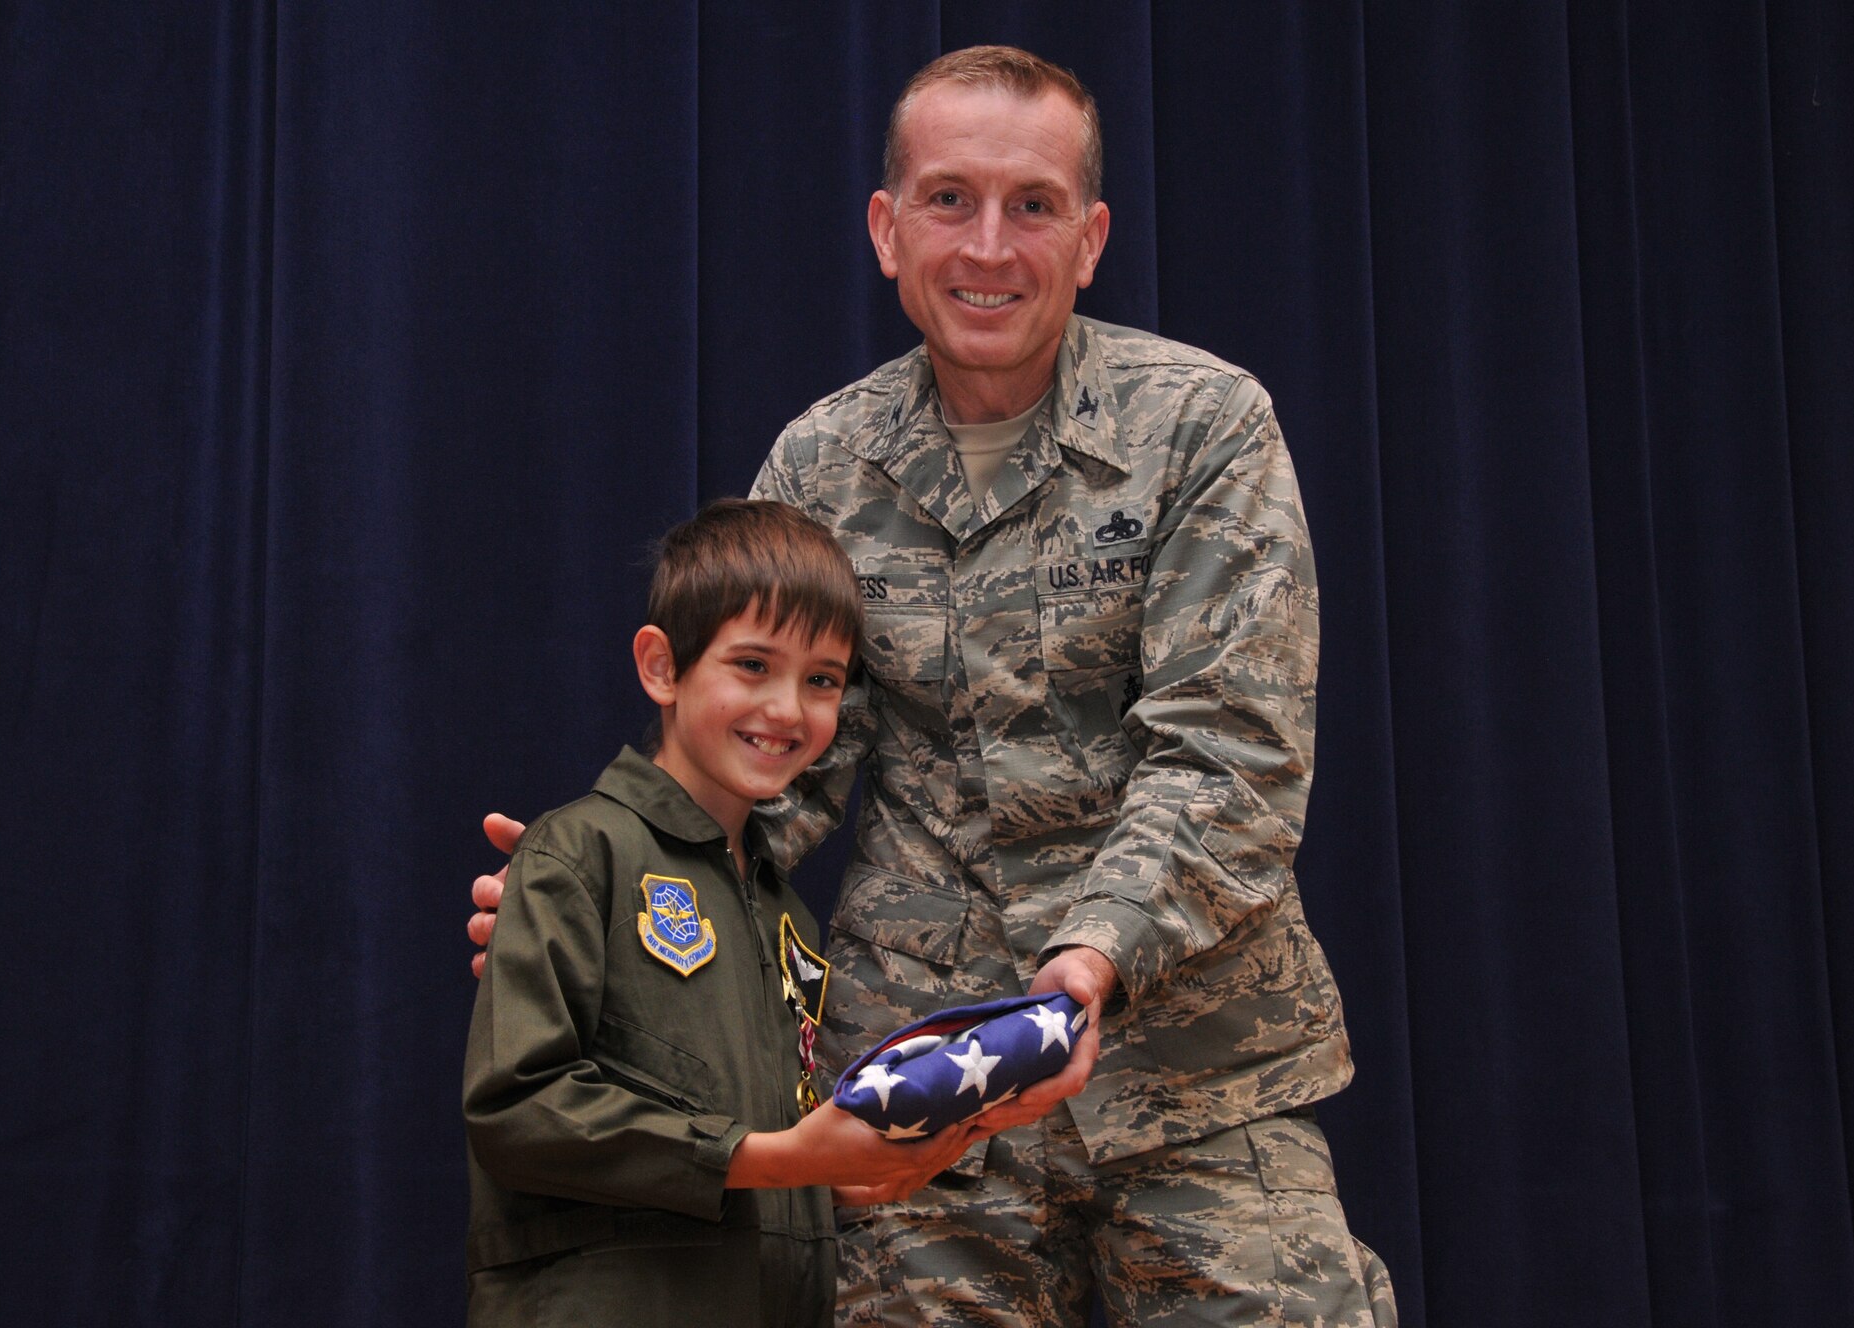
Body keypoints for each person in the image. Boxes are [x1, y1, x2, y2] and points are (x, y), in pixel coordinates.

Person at [472, 45, 1397, 1328]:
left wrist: (1086, 961)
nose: (988, 246)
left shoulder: (1203, 424)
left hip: (1195, 1070)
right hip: (923, 1095)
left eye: (1033, 206)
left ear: (1089, 238)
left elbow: (1229, 749)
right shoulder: (822, 460)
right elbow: (773, 756)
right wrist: (610, 891)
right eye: (948, 199)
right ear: (885, 229)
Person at [463, 499, 976, 1326]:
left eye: (821, 681)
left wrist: (836, 1174)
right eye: (751, 665)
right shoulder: (580, 851)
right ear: (663, 667)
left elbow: (775, 1148)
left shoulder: (788, 919)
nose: (786, 710)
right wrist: (771, 1159)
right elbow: (517, 1109)